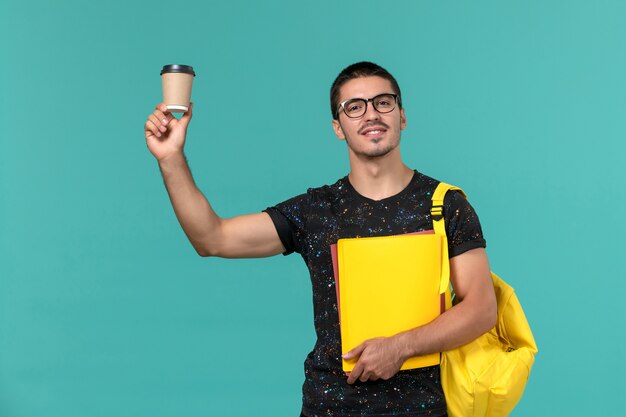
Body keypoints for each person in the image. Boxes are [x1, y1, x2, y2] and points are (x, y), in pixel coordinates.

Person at [144, 61, 497, 417]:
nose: (371, 114)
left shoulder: (445, 205)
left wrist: (401, 347)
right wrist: (171, 157)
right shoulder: (316, 210)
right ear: (338, 128)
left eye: (383, 102)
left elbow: (481, 309)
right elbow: (212, 238)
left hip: (424, 409)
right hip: (328, 407)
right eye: (354, 107)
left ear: (402, 116)